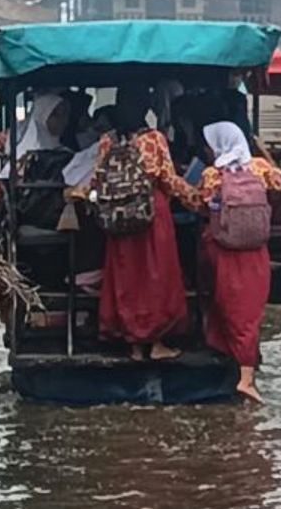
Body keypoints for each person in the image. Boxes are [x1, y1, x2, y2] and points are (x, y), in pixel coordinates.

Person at [93, 84, 201, 362]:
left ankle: (133, 346)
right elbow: (168, 179)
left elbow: (97, 179)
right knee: (155, 276)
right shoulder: (154, 139)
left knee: (126, 277)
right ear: (145, 108)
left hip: (118, 216)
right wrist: (197, 199)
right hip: (152, 213)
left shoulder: (107, 141)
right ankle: (155, 343)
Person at [198, 121, 281, 404]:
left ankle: (237, 369)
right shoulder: (259, 168)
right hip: (256, 252)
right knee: (250, 311)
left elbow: (201, 201)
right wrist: (265, 154)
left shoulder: (213, 174)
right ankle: (246, 374)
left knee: (226, 304)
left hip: (223, 249)